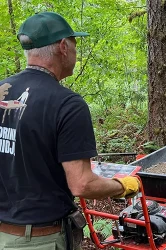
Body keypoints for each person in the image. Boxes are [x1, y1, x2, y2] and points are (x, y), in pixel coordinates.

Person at [0, 12, 140, 250]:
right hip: (39, 240)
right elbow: (82, 185)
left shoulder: (3, 90)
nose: (76, 50)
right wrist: (125, 185)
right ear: (63, 47)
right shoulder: (67, 104)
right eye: (75, 43)